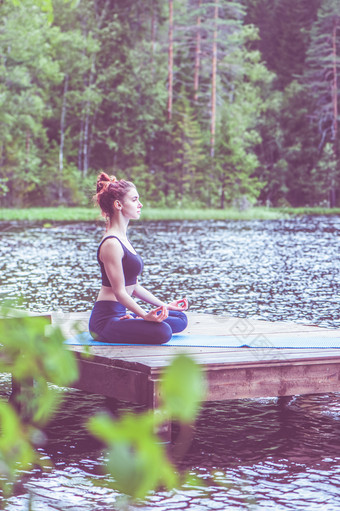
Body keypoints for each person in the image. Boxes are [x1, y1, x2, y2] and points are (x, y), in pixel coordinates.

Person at [89, 172, 188, 344]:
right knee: (164, 332)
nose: (140, 204)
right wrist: (144, 316)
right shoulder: (111, 244)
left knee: (179, 318)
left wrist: (164, 305)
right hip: (106, 321)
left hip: (123, 312)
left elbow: (133, 287)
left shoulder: (123, 239)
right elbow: (120, 292)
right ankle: (133, 320)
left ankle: (133, 318)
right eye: (134, 200)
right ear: (118, 204)